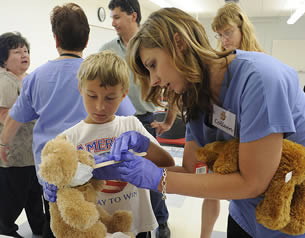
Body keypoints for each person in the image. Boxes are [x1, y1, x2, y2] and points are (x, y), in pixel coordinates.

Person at [92, 7, 305, 238]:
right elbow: (193, 170)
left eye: (152, 64)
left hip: (289, 219)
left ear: (179, 43)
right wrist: (126, 164)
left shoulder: (260, 79)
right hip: (244, 214)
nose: (153, 81)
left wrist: (158, 179)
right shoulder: (195, 96)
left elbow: (252, 182)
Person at [0, 3, 134, 238]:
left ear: (55, 39)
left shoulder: (36, 78)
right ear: (87, 37)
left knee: (58, 222)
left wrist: (3, 144)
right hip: (95, 166)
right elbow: (128, 118)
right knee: (94, 220)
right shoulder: (98, 73)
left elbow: (14, 120)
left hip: (54, 171)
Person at [59, 50, 175, 237]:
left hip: (136, 222)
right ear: (80, 89)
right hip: (97, 226)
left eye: (110, 98)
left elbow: (167, 163)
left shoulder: (131, 124)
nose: (100, 106)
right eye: (92, 95)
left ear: (124, 94)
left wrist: (144, 145)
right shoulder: (69, 138)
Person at [99, 1, 177, 237]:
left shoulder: (150, 46)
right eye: (111, 18)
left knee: (151, 176)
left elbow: (173, 87)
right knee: (123, 178)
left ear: (133, 16)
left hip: (145, 120)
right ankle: (131, 221)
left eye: (117, 17)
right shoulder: (107, 50)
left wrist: (169, 120)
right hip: (116, 122)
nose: (113, 23)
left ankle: (160, 221)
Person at [193, 3, 266, 238]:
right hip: (223, 138)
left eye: (228, 32)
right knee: (210, 189)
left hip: (252, 141)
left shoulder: (260, 64)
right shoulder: (218, 62)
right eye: (220, 35)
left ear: (243, 29)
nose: (224, 40)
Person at [0, 32, 45, 238]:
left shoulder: (29, 78)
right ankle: (6, 230)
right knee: (13, 197)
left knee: (35, 194)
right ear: (4, 58)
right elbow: (4, 115)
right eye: (17, 52)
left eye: (25, 51)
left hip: (33, 152)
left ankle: (39, 227)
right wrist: (30, 111)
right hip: (13, 153)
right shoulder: (4, 81)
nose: (24, 55)